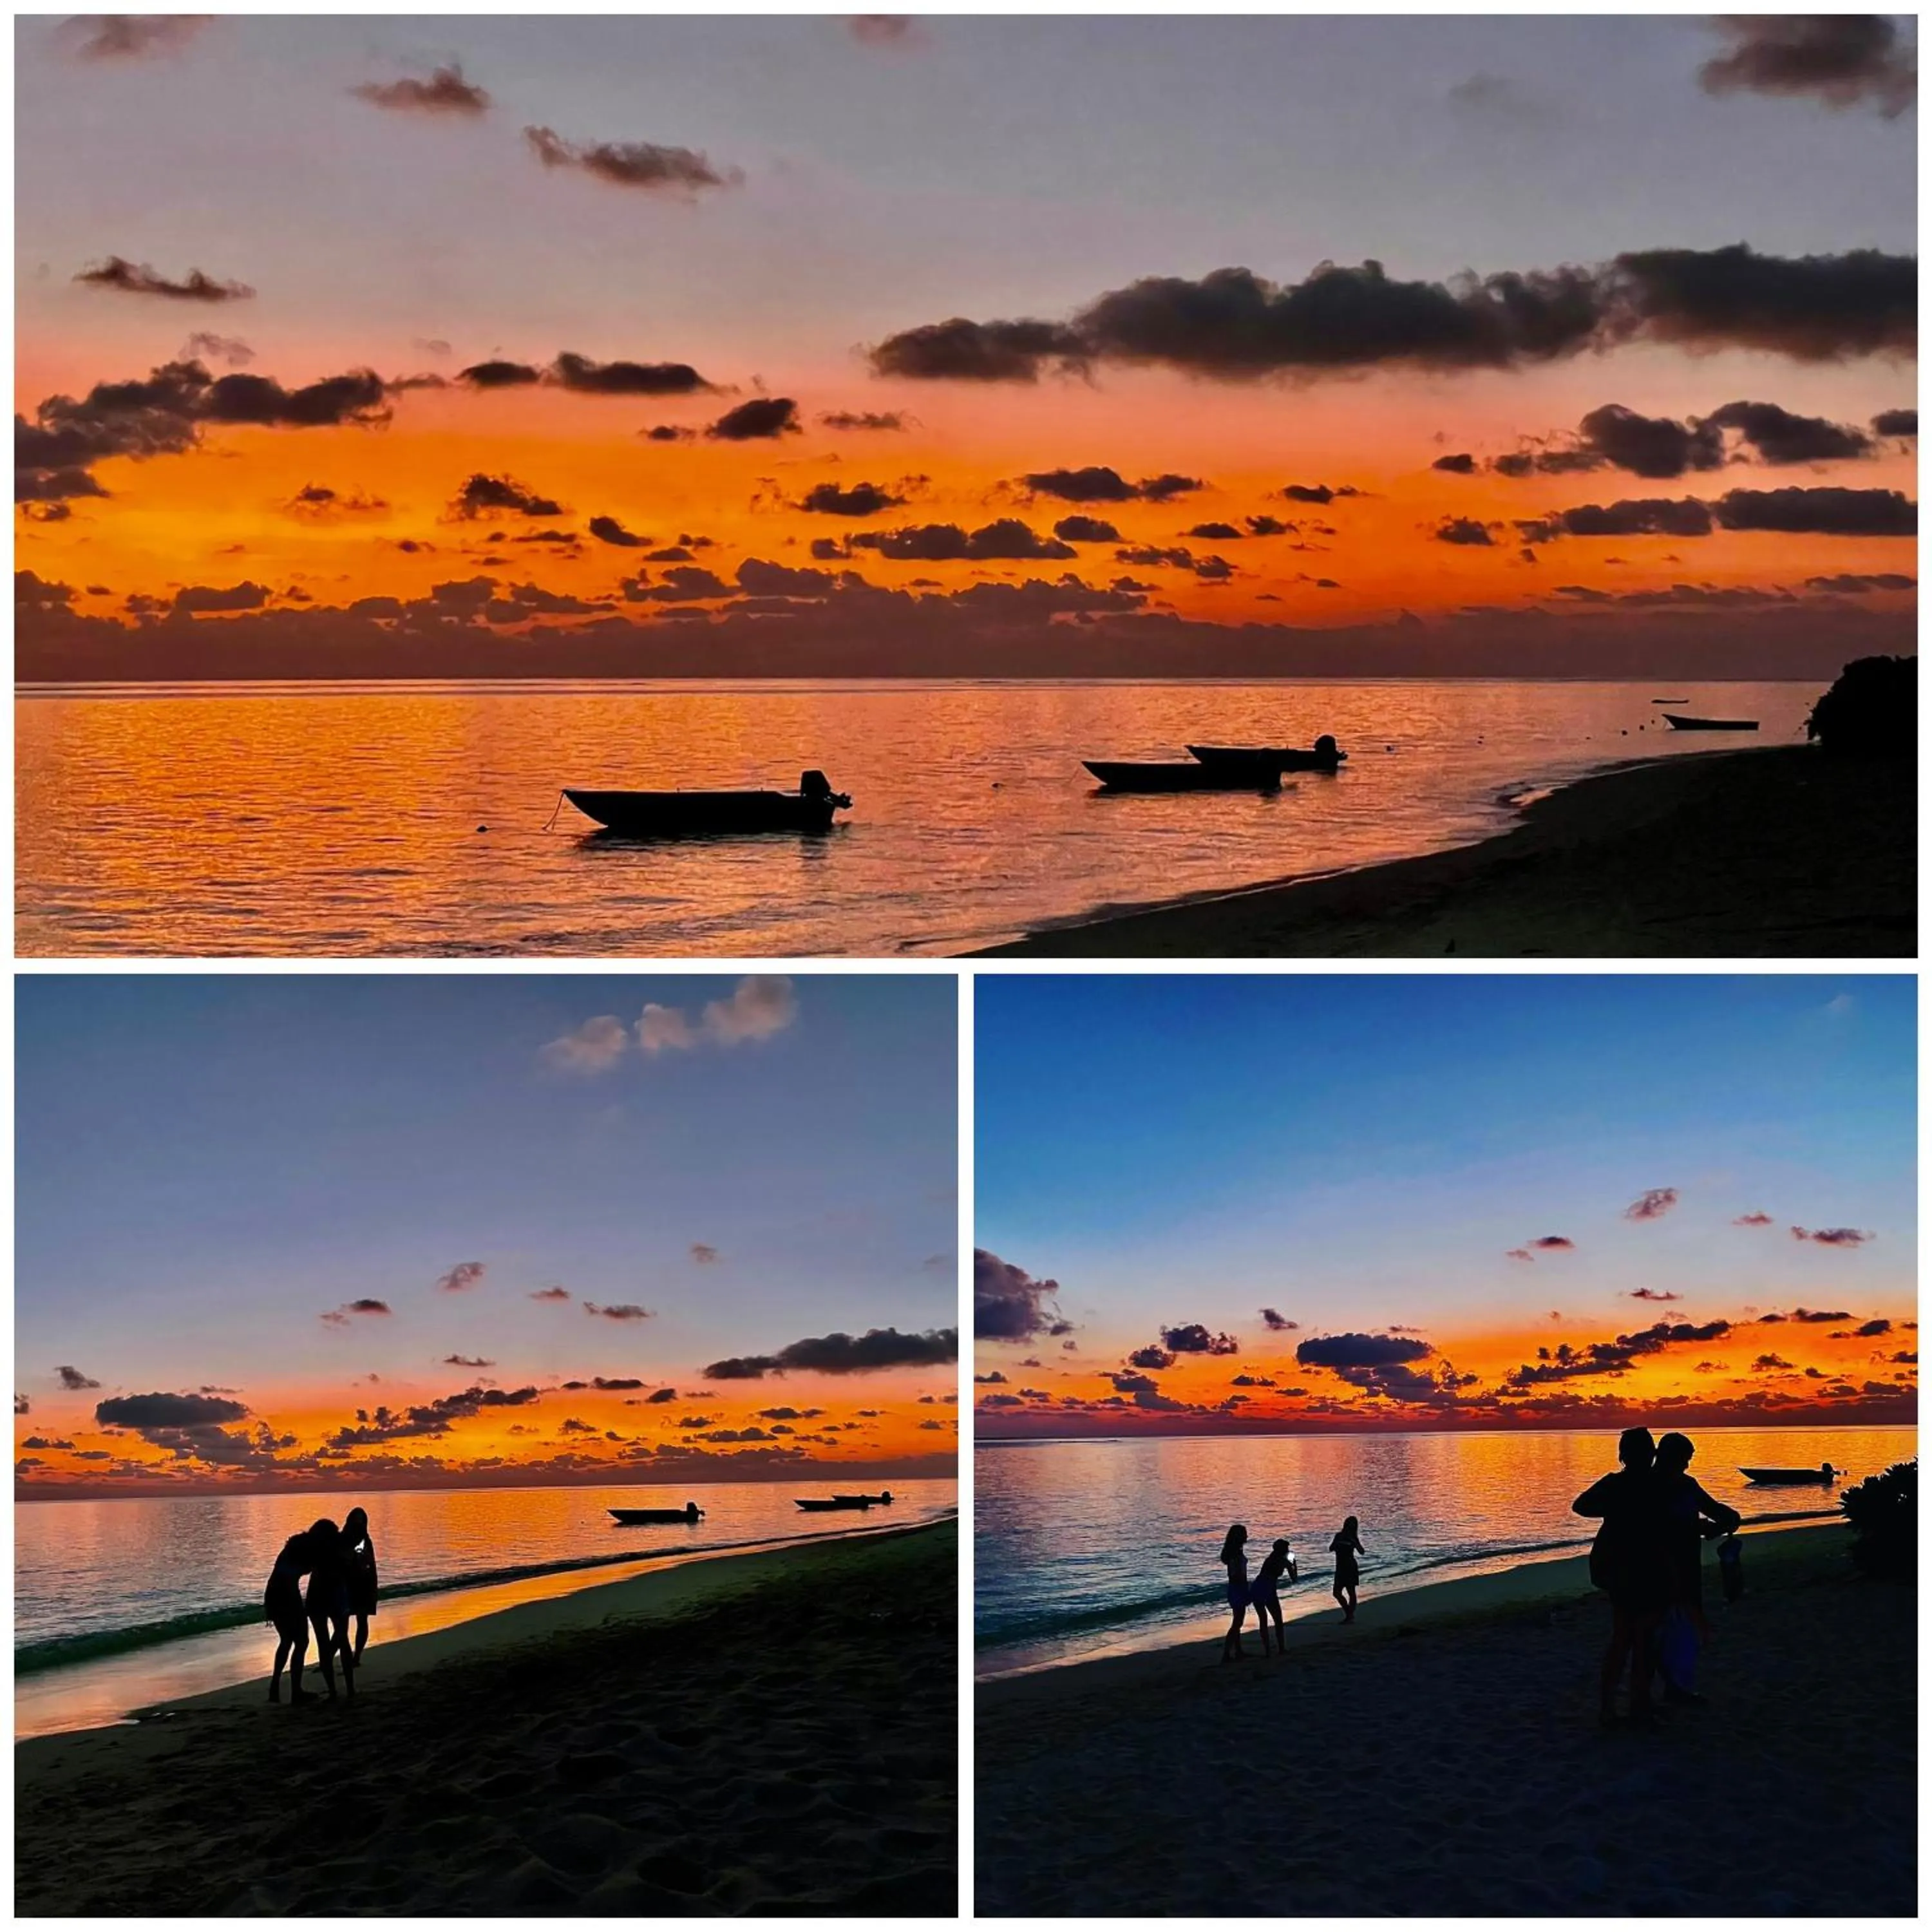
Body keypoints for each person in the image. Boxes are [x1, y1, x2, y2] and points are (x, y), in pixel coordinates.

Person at [1573, 1426, 1671, 1726]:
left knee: (1625, 1637)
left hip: (1624, 1567)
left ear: (1623, 1455)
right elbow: (1581, 1506)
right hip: (1642, 1567)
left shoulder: (1619, 1484)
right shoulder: (1657, 1484)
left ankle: (1614, 1706)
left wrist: (1614, 1510)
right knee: (1640, 1638)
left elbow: (1582, 1505)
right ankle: (1634, 1705)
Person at [1651, 1432, 1740, 1701]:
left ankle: (1677, 1687)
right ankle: (1668, 1686)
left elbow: (1714, 1509)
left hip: (1688, 1565)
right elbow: (1654, 1526)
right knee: (1661, 1627)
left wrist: (1728, 1520)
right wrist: (1699, 1526)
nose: (1687, 1465)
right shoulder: (1650, 1487)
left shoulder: (1687, 1485)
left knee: (1685, 1625)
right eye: (1685, 1459)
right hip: (1658, 1567)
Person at [303, 1515, 356, 1700]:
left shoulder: (317, 1554)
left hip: (319, 1599)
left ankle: (335, 1691)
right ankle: (349, 1689)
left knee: (325, 1644)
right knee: (342, 1641)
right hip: (332, 1598)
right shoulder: (338, 1552)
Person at [264, 1528, 315, 1703]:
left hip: (273, 1597)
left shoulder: (287, 1553)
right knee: (301, 1642)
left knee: (286, 1641)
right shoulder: (295, 1556)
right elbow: (297, 1572)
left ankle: (275, 1685)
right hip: (286, 1598)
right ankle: (296, 1691)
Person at [342, 1507, 379, 1666]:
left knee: (362, 1620)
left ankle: (356, 1656)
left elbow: (370, 1564)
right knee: (342, 1623)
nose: (358, 1524)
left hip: (364, 1584)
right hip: (347, 1584)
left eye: (361, 1520)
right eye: (356, 1520)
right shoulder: (343, 1539)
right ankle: (332, 1656)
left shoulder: (366, 1540)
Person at [1250, 1537, 1293, 1654]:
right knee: (1278, 1620)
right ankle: (1281, 1648)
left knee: (1263, 1620)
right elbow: (1294, 1578)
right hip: (1268, 1589)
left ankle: (1268, 1651)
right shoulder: (1283, 1561)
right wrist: (1294, 1564)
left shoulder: (1269, 1559)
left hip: (1257, 1587)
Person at [1218, 1524, 1251, 1661]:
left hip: (1236, 1588)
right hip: (1238, 1589)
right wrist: (1246, 1588)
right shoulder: (1235, 1554)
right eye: (1244, 1534)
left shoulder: (1236, 1551)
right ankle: (1227, 1654)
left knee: (1238, 1621)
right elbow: (1235, 1574)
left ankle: (1238, 1651)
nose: (1247, 1536)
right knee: (1238, 1622)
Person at [1329, 1517, 1365, 1623]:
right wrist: (1338, 1544)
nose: (1351, 1527)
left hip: (1350, 1567)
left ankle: (1349, 1616)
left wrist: (1354, 1542)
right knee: (1336, 1593)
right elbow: (1331, 1548)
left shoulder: (1354, 1538)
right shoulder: (1339, 1536)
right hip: (1340, 1568)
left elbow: (1362, 1552)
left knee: (1351, 1592)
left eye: (1353, 1525)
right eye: (1350, 1524)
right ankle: (1349, 1614)